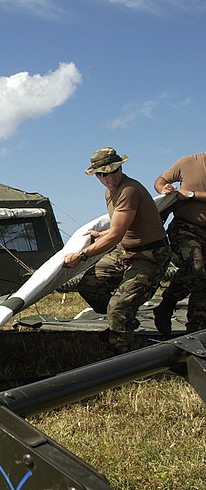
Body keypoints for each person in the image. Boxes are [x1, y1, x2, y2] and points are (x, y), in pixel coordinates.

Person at [63, 147, 170, 354]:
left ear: (121, 167)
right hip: (125, 251)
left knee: (118, 305)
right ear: (96, 175)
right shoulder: (110, 192)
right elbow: (120, 228)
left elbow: (115, 235)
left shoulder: (129, 190)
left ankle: (120, 358)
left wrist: (82, 255)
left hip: (149, 256)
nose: (109, 177)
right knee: (89, 287)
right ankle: (122, 323)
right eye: (103, 174)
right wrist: (101, 235)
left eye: (114, 171)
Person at [153, 153, 206, 336]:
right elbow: (160, 180)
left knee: (203, 283)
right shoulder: (189, 162)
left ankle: (197, 331)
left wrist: (190, 195)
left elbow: (189, 194)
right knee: (196, 267)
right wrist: (163, 188)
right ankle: (167, 304)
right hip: (186, 228)